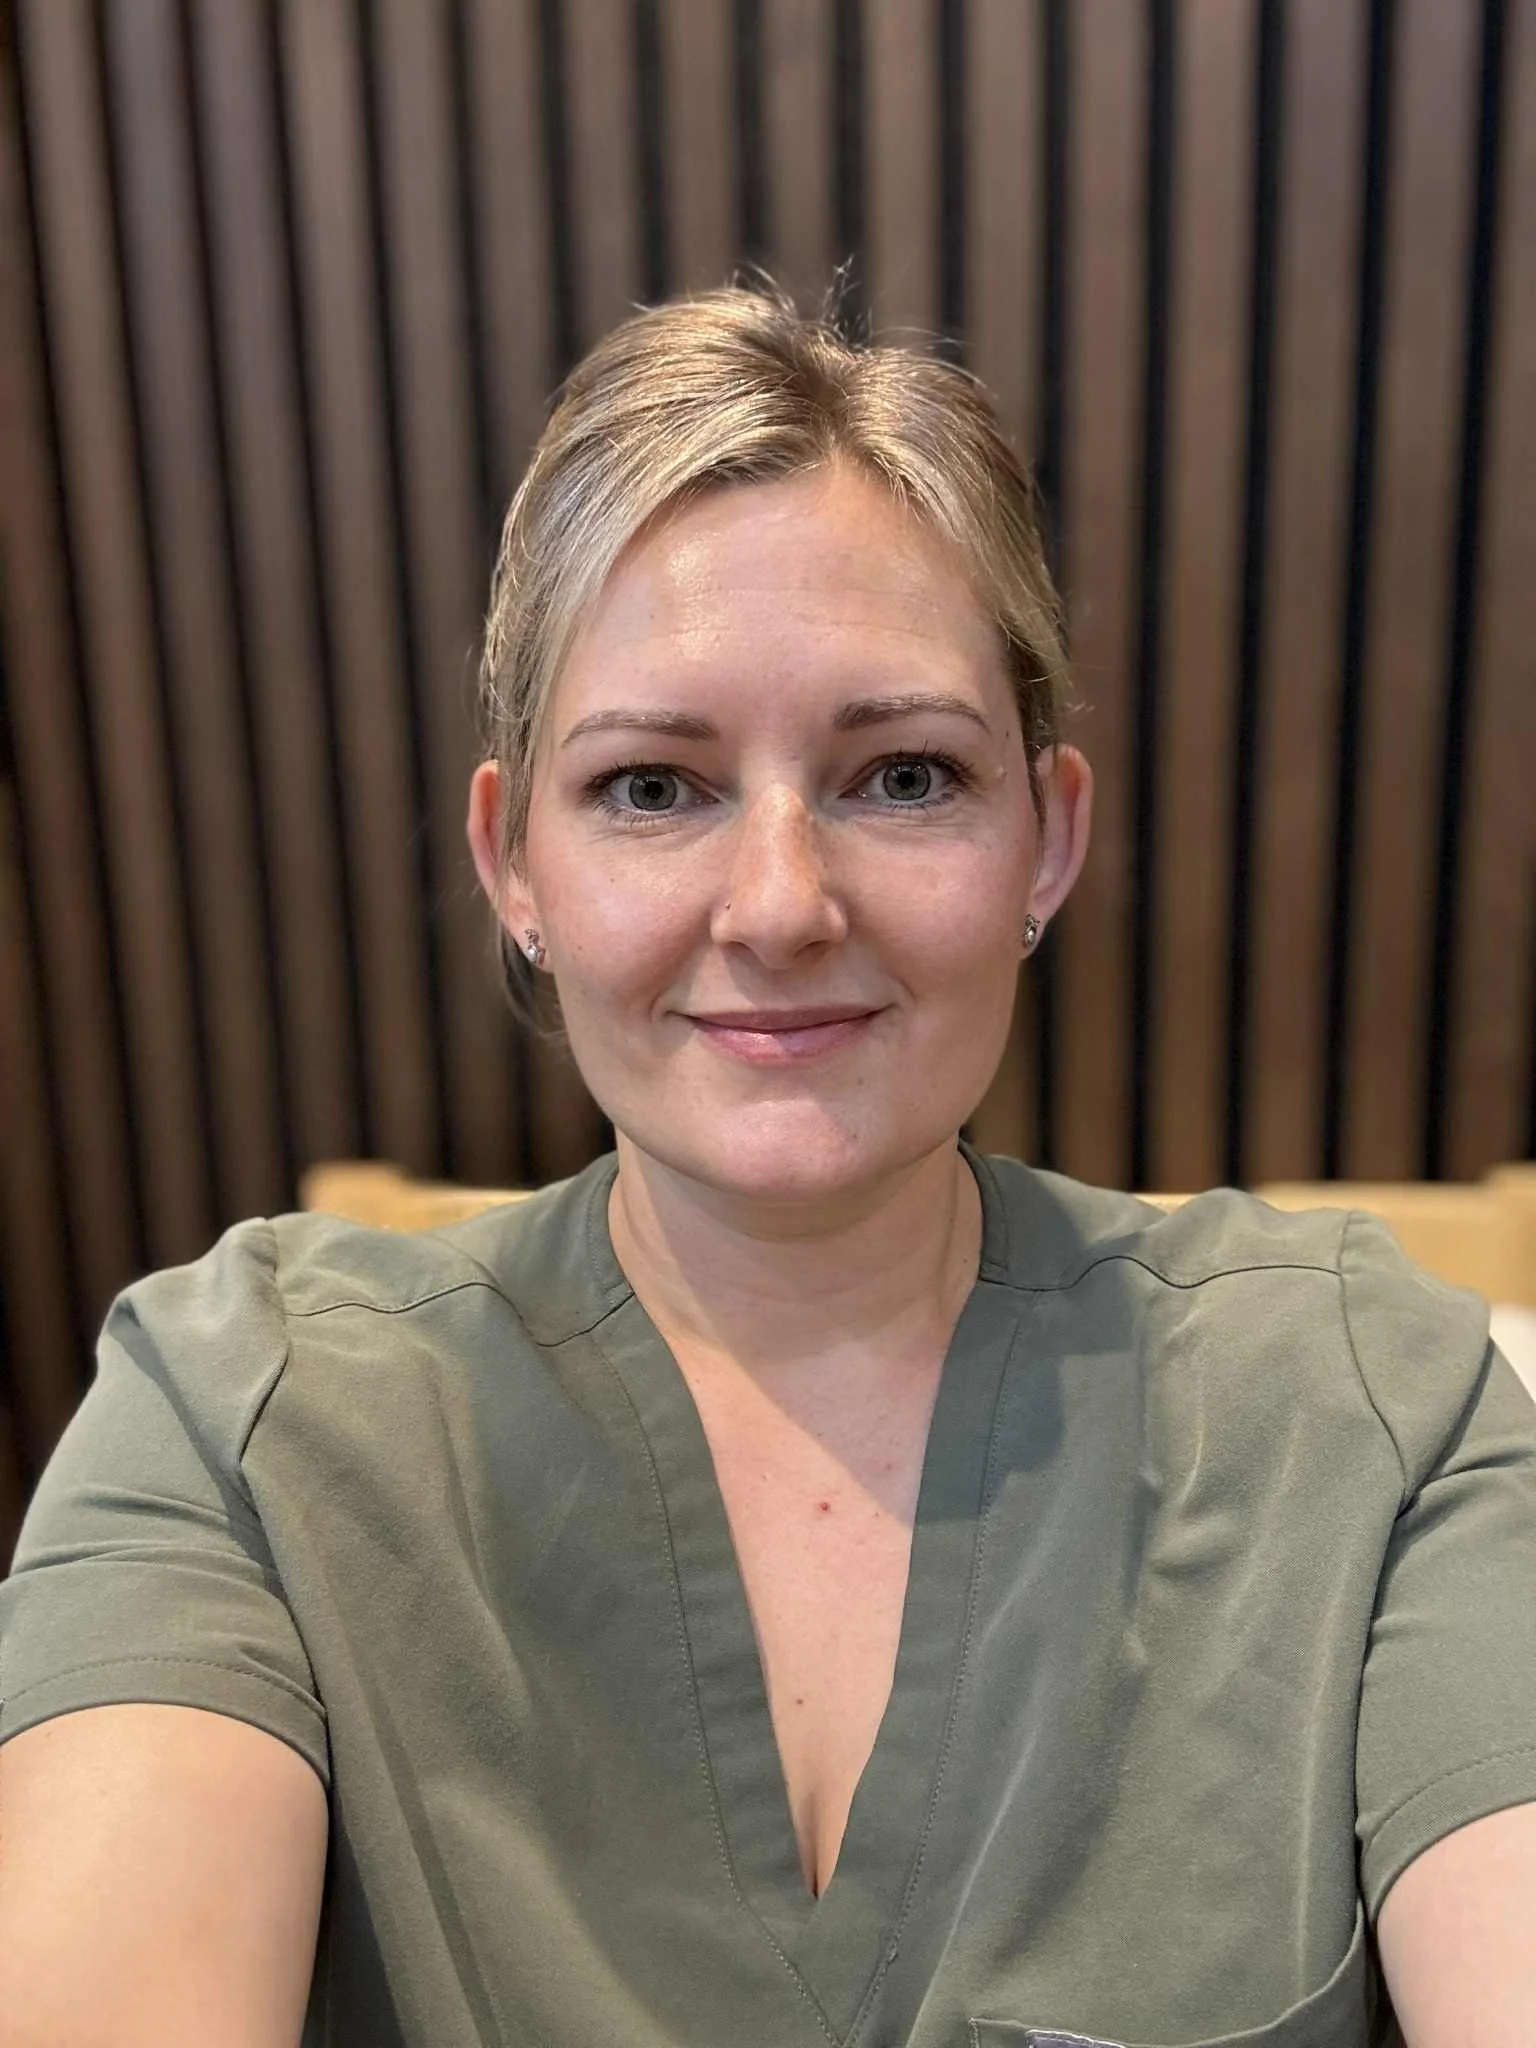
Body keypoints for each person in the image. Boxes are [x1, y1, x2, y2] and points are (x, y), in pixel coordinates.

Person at [1, 279, 1532, 2048]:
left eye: (901, 778)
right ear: (518, 866)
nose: (784, 907)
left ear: (1048, 838)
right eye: (654, 788)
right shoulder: (236, 1423)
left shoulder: (1375, 1412)